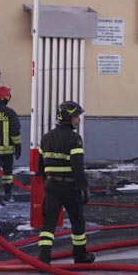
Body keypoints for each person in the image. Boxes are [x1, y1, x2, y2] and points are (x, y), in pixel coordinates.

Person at [36, 100, 95, 266]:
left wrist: (47, 182)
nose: (79, 120)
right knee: (77, 222)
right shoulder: (74, 139)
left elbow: (40, 166)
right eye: (76, 116)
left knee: (48, 224)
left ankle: (43, 259)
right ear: (68, 117)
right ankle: (80, 256)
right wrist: (84, 188)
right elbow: (77, 167)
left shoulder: (46, 137)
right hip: (69, 187)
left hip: (51, 187)